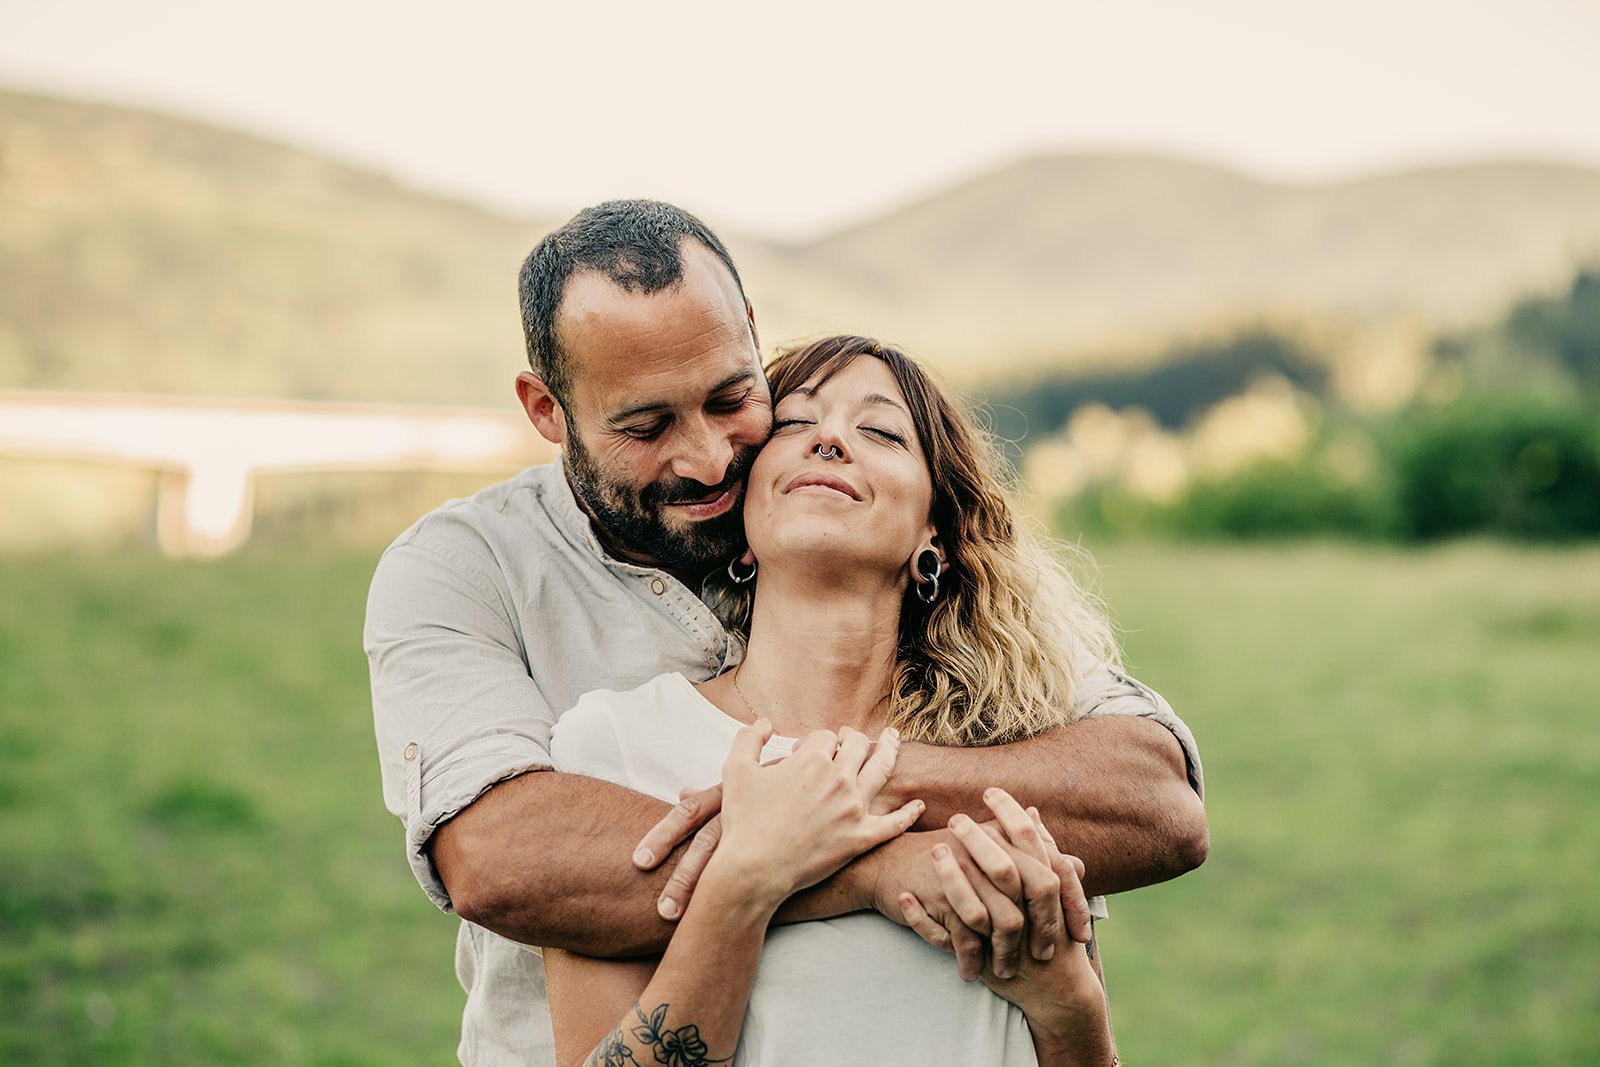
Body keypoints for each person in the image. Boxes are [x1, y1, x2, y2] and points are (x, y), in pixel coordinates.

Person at [364, 200, 1207, 1064]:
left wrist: (840, 785)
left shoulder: (987, 683)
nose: (710, 460)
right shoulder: (466, 574)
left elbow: (1153, 801)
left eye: (735, 398)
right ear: (548, 409)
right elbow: (502, 859)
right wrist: (853, 863)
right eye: (647, 426)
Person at [544, 335, 1135, 1065]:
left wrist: (1068, 1000)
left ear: (935, 533)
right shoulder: (615, 745)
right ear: (744, 521)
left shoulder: (1010, 756)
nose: (829, 439)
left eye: (881, 431)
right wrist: (746, 880)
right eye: (794, 423)